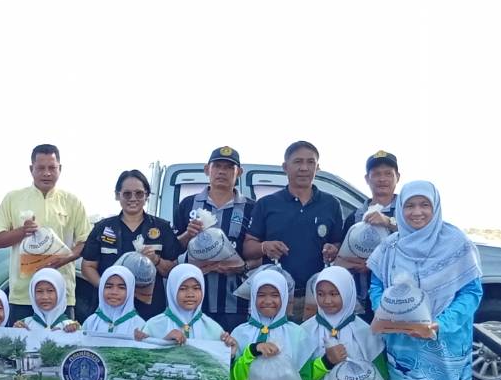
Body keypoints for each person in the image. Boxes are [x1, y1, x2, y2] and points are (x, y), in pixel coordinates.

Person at [367, 181, 483, 380]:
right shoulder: (390, 248)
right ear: (399, 209)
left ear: (435, 207)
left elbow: (471, 293)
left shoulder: (456, 243)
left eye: (424, 205)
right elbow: (376, 285)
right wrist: (387, 312)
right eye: (409, 206)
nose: (417, 212)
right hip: (403, 348)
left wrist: (441, 325)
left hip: (445, 350)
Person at [243, 141, 347, 319]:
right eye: (298, 162)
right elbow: (247, 248)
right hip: (275, 301)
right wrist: (264, 247)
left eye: (310, 162)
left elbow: (338, 245)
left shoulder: (331, 204)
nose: (304, 168)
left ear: (318, 167)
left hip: (319, 300)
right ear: (285, 167)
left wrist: (333, 250)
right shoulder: (267, 204)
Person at [0, 145, 91, 324]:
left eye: (52, 168)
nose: (47, 173)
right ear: (31, 169)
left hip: (62, 295)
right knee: (18, 350)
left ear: (60, 169)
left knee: (61, 350)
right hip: (22, 295)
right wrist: (22, 231)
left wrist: (65, 259)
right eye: (41, 168)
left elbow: (85, 242)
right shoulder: (13, 198)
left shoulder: (72, 202)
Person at [171, 147, 254, 331]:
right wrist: (188, 235)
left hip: (234, 304)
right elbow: (173, 250)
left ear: (238, 172)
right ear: (207, 169)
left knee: (230, 354)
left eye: (229, 167)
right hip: (192, 303)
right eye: (217, 166)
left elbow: (256, 253)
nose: (222, 172)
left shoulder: (251, 208)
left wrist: (242, 267)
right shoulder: (187, 204)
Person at [81, 169, 179, 319]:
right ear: (117, 195)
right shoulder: (103, 228)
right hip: (108, 309)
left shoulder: (162, 228)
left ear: (146, 195)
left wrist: (156, 260)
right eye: (127, 193)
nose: (133, 198)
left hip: (149, 311)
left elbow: (173, 270)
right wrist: (106, 288)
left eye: (139, 193)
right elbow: (87, 266)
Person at [336, 151, 401, 315]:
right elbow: (343, 255)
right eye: (376, 174)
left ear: (397, 177)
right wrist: (336, 255)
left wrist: (388, 222)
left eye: (388, 173)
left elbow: (419, 239)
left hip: (399, 298)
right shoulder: (356, 217)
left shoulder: (409, 211)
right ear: (367, 179)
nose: (382, 179)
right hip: (361, 301)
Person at [140, 265, 238, 349]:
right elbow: (141, 360)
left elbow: (220, 364)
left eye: (196, 288)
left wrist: (230, 351)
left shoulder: (213, 329)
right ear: (172, 290)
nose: (190, 294)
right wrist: (165, 342)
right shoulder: (153, 326)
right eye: (183, 288)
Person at [81, 265, 146, 339]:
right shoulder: (91, 322)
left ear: (130, 291)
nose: (114, 292)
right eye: (109, 286)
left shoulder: (139, 325)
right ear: (101, 288)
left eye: (121, 288)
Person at [14, 268, 80, 332]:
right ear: (32, 293)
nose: (45, 297)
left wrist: (75, 333)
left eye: (50, 291)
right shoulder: (24, 324)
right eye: (39, 291)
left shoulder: (70, 326)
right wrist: (15, 331)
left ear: (60, 293)